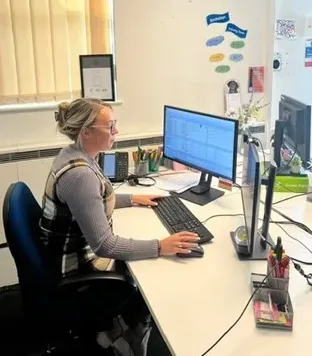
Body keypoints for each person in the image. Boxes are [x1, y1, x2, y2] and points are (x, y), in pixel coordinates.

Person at [39, 98, 199, 355]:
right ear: (87, 132)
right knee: (154, 274)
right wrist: (160, 246)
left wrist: (132, 199)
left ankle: (117, 331)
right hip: (77, 267)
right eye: (110, 126)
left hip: (67, 251)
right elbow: (104, 245)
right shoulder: (80, 175)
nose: (117, 132)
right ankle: (124, 340)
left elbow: (92, 201)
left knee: (149, 257)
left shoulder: (76, 155)